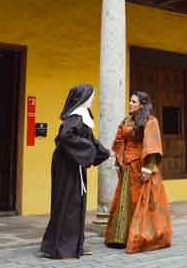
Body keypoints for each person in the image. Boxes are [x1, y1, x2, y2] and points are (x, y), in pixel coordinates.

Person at [41, 84, 110, 259]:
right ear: (84, 98)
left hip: (72, 164)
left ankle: (73, 245)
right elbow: (65, 137)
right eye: (92, 96)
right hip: (67, 167)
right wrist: (89, 150)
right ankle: (62, 247)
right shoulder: (76, 117)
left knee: (75, 204)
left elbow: (90, 141)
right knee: (69, 204)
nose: (93, 99)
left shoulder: (82, 117)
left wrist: (105, 153)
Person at [104, 91, 172, 253]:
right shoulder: (126, 120)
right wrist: (119, 159)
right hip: (128, 167)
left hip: (142, 167)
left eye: (133, 101)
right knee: (125, 200)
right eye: (130, 101)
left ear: (142, 104)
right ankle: (121, 237)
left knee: (143, 201)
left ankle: (143, 236)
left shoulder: (150, 121)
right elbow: (120, 139)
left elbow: (153, 145)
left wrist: (148, 168)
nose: (130, 103)